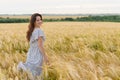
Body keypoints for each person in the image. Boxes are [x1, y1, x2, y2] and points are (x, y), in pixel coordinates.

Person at [17, 13, 49, 78]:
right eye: (37, 20)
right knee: (36, 73)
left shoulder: (32, 30)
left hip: (31, 53)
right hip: (37, 54)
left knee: (30, 71)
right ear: (33, 22)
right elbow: (40, 45)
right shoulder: (39, 31)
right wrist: (45, 56)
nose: (40, 21)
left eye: (40, 19)